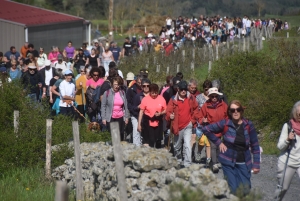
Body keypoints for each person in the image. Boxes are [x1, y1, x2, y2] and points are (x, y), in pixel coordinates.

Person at [202, 100, 260, 195]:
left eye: (238, 109)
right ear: (229, 112)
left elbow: (255, 145)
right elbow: (206, 129)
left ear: (241, 111)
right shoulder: (225, 123)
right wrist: (219, 142)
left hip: (244, 161)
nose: (235, 112)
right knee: (233, 189)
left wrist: (256, 164)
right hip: (228, 161)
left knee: (245, 189)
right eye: (233, 110)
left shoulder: (248, 125)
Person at [165, 81, 200, 168]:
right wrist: (170, 115)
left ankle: (187, 164)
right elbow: (168, 111)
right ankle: (178, 160)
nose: (183, 91)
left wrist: (192, 121)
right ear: (178, 89)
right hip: (177, 126)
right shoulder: (173, 99)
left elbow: (196, 109)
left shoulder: (191, 98)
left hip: (188, 125)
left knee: (188, 145)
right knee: (177, 147)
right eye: (182, 89)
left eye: (185, 89)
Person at [274, 101, 300, 200]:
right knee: (283, 188)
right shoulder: (288, 126)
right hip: (287, 162)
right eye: (299, 114)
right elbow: (280, 147)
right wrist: (288, 139)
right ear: (295, 113)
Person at [199, 87, 228, 173]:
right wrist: (203, 120)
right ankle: (214, 163)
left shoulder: (223, 105)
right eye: (212, 96)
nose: (214, 98)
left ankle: (217, 161)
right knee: (213, 145)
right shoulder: (206, 105)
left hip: (221, 129)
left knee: (219, 145)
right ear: (210, 97)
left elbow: (228, 115)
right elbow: (200, 116)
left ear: (218, 96)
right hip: (210, 129)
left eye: (216, 96)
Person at [138, 84, 166, 148]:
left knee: (158, 140)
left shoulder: (161, 98)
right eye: (152, 93)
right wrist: (139, 124)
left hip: (158, 122)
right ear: (149, 92)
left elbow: (165, 110)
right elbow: (141, 112)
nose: (154, 94)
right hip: (148, 122)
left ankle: (158, 154)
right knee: (150, 140)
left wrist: (160, 113)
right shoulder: (145, 99)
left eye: (156, 93)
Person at [101, 76, 129, 141]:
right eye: (115, 84)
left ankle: (121, 149)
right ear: (112, 84)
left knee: (121, 134)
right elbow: (103, 106)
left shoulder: (122, 93)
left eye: (118, 84)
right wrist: (104, 118)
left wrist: (126, 117)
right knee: (113, 135)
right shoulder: (107, 93)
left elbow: (125, 106)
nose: (117, 86)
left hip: (120, 117)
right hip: (111, 117)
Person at [194, 80, 212, 163]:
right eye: (205, 89)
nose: (207, 91)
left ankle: (209, 159)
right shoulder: (198, 98)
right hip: (201, 122)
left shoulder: (213, 98)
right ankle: (198, 152)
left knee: (208, 141)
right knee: (201, 141)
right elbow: (196, 111)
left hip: (211, 122)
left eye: (208, 89)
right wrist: (200, 119)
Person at [126, 75, 143, 145]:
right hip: (135, 114)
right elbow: (128, 103)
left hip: (144, 115)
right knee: (136, 132)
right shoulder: (131, 90)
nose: (140, 84)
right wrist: (135, 108)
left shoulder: (146, 89)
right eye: (139, 82)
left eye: (141, 83)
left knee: (142, 133)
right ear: (136, 82)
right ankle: (136, 150)